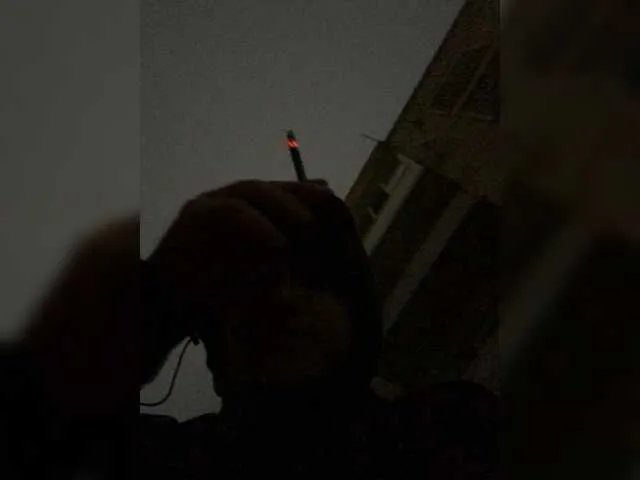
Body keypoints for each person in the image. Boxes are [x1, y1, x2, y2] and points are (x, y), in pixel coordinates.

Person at [1, 180, 500, 479]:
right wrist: (149, 305)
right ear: (211, 337)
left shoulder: (452, 426)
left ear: (356, 311)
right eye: (245, 287)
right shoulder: (160, 463)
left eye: (310, 278)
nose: (279, 298)